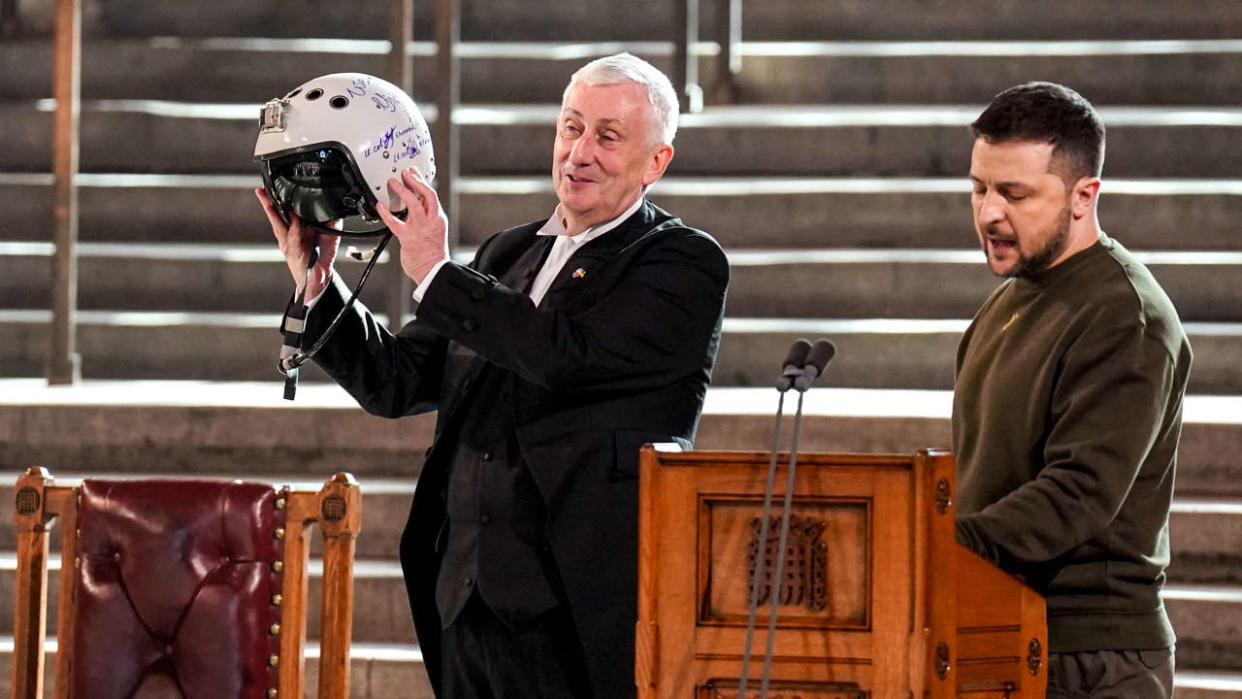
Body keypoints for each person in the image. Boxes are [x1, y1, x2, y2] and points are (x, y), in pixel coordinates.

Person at [257, 53, 729, 699]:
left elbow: (563, 356)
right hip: (465, 594)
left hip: (579, 603)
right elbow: (398, 382)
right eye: (571, 127)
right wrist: (319, 284)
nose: (580, 152)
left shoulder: (681, 262)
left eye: (608, 137)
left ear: (656, 162)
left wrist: (435, 270)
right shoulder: (508, 252)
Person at [952, 81, 1192, 697]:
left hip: (1093, 656)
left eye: (1015, 193)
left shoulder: (1125, 315)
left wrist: (932, 547)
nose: (988, 212)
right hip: (1003, 626)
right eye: (979, 187)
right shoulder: (1008, 301)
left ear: (1085, 195)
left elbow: (1076, 495)